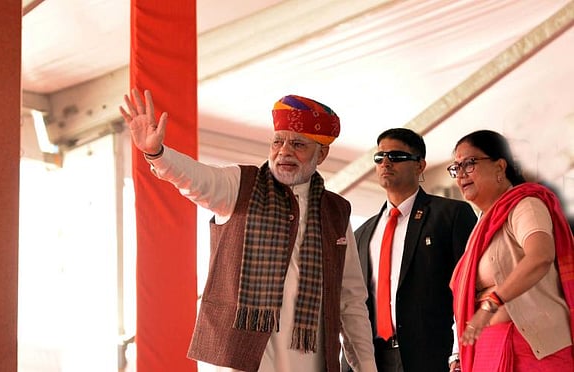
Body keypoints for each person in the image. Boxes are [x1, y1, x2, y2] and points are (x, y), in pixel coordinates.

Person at [119, 89, 376, 372]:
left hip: (312, 359)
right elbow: (196, 178)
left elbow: (350, 300)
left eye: (298, 144)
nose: (284, 151)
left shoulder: (336, 211)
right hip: (242, 360)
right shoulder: (240, 185)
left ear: (322, 154)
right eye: (278, 141)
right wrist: (157, 153)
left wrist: (366, 367)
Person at [346, 128, 476, 372]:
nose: (385, 163)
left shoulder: (450, 215)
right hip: (370, 360)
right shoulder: (361, 233)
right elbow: (352, 300)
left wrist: (460, 351)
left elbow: (470, 288)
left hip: (432, 357)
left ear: (420, 165)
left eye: (395, 156)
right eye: (379, 157)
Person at [448, 130, 574, 371]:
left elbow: (540, 256)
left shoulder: (526, 205)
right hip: (487, 347)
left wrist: (491, 303)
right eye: (456, 167)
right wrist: (459, 354)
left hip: (533, 347)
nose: (461, 173)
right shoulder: (480, 228)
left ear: (500, 167)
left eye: (470, 163)